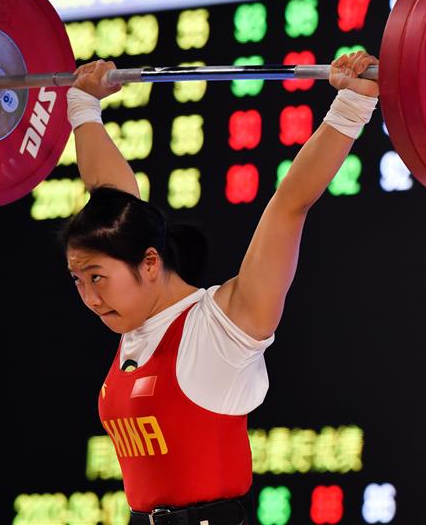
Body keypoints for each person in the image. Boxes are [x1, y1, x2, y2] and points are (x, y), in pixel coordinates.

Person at [62, 52, 379, 525]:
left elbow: (290, 204)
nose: (89, 298)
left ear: (150, 263)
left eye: (97, 278)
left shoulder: (223, 327)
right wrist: (83, 105)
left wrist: (354, 104)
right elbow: (110, 201)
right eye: (78, 280)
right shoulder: (137, 323)